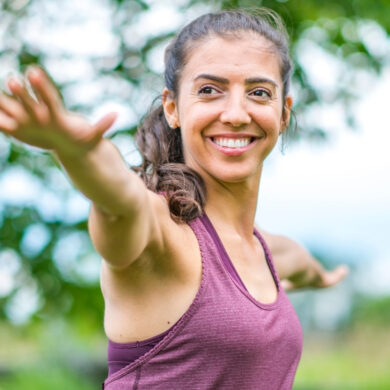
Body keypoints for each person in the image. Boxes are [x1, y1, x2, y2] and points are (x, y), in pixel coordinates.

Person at [0, 8, 348, 390]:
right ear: (172, 107)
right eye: (209, 90)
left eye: (259, 92)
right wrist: (78, 152)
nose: (235, 113)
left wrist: (323, 277)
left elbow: (298, 263)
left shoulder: (266, 251)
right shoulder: (161, 236)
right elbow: (119, 199)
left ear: (283, 112)